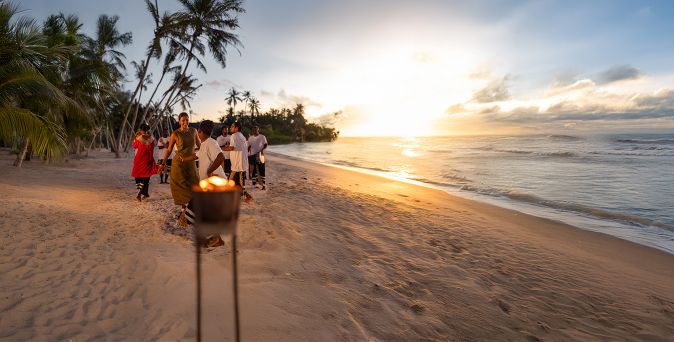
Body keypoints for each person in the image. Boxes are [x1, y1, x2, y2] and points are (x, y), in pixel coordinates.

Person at [158, 112, 201, 226]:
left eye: (187, 120)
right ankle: (184, 212)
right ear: (179, 121)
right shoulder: (175, 134)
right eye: (183, 120)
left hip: (191, 163)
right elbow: (169, 149)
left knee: (194, 186)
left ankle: (188, 212)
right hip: (179, 163)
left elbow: (200, 145)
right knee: (182, 187)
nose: (185, 122)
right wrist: (162, 163)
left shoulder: (193, 131)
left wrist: (207, 152)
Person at [222, 121, 252, 201]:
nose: (230, 128)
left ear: (236, 128)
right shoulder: (242, 136)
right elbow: (238, 147)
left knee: (234, 180)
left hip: (238, 163)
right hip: (242, 162)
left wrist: (221, 149)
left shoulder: (233, 136)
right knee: (239, 180)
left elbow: (232, 148)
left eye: (232, 126)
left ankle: (243, 195)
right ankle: (243, 195)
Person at [131, 124, 157, 202]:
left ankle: (140, 191)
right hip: (148, 159)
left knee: (138, 174)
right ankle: (145, 193)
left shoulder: (138, 138)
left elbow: (134, 146)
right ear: (147, 130)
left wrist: (135, 137)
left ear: (141, 130)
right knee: (146, 175)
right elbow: (154, 146)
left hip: (139, 158)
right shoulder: (152, 138)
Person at [247, 125, 268, 190]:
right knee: (254, 170)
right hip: (252, 155)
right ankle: (254, 184)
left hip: (260, 155)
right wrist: (247, 153)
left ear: (258, 130)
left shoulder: (262, 137)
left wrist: (262, 150)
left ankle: (264, 185)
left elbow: (266, 144)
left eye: (255, 129)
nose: (254, 131)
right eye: (253, 130)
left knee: (262, 170)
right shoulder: (250, 137)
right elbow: (248, 146)